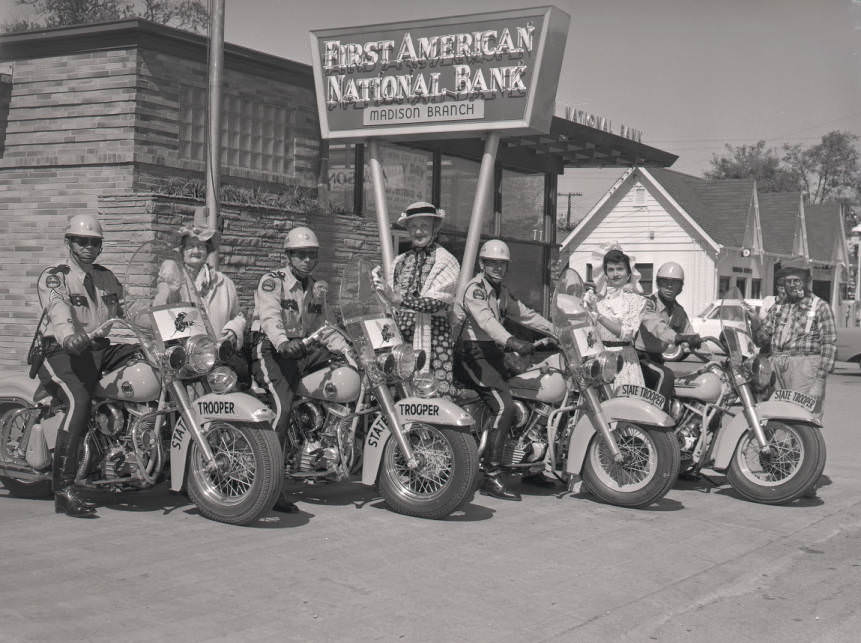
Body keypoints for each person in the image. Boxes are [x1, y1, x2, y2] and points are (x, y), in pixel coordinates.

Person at [34, 214, 138, 516]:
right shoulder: (56, 275)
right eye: (82, 241)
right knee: (79, 401)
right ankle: (63, 489)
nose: (89, 247)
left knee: (145, 360)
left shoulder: (106, 278)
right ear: (69, 242)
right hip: (60, 351)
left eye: (94, 242)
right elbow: (58, 308)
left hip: (96, 349)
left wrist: (161, 322)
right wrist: (69, 336)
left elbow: (131, 308)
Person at [453, 239, 555, 501]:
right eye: (492, 263)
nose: (497, 268)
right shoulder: (475, 290)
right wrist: (512, 341)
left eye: (502, 264)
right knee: (503, 406)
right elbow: (487, 322)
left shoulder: (501, 292)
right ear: (482, 264)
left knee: (535, 389)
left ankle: (530, 464)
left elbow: (525, 314)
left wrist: (556, 329)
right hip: (471, 354)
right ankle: (491, 474)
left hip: (493, 353)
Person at [374, 202, 460, 397]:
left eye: (424, 226)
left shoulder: (446, 260)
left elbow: (438, 301)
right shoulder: (399, 261)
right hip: (401, 335)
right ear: (407, 229)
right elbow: (389, 301)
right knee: (400, 390)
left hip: (434, 334)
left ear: (434, 228)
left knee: (433, 391)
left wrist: (399, 300)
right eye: (413, 226)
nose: (418, 231)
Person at [154, 208, 248, 383]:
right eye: (190, 246)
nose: (196, 251)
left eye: (201, 246)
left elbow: (239, 316)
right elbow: (160, 309)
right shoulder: (172, 278)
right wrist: (171, 290)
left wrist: (233, 331)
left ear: (208, 250)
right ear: (182, 251)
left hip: (217, 359)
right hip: (186, 363)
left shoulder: (224, 282)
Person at [756, 258, 836, 419]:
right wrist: (755, 325)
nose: (792, 285)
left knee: (803, 417)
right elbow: (761, 340)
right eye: (788, 281)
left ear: (807, 281)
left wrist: (819, 382)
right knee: (775, 416)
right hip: (776, 366)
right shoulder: (778, 307)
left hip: (805, 367)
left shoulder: (820, 307)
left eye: (796, 280)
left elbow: (829, 345)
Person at [635, 261, 702, 406]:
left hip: (657, 360)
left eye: (674, 283)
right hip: (640, 358)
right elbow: (656, 326)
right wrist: (677, 337)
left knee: (696, 381)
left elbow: (689, 333)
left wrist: (711, 355)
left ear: (680, 287)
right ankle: (659, 417)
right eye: (665, 281)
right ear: (658, 283)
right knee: (666, 376)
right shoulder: (648, 303)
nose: (669, 286)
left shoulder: (679, 311)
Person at [583, 248, 646, 391]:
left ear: (628, 274)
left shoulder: (637, 301)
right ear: (605, 275)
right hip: (600, 359)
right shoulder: (596, 300)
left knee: (624, 401)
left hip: (624, 360)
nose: (615, 274)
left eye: (620, 269)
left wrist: (599, 316)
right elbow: (588, 333)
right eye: (610, 270)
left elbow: (628, 334)